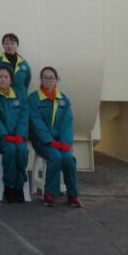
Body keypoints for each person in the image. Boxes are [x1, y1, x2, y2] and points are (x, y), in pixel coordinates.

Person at [29, 67, 81, 208]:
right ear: (41, 79)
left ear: (56, 80)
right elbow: (36, 124)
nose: (48, 80)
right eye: (44, 77)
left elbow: (67, 123)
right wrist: (50, 141)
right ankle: (50, 193)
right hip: (42, 141)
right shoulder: (33, 99)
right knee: (56, 156)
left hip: (60, 142)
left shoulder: (64, 99)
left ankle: (72, 194)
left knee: (68, 158)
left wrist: (65, 143)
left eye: (51, 78)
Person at [0, 66, 29, 203]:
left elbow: (23, 118)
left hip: (17, 137)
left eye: (6, 77)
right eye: (0, 77)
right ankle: (10, 187)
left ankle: (19, 185)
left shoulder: (20, 95)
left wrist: (19, 135)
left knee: (22, 149)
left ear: (11, 80)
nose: (3, 79)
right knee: (10, 149)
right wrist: (4, 135)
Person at [0, 32, 31, 97]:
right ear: (3, 45)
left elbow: (27, 82)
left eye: (12, 43)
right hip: (1, 99)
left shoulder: (24, 64)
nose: (9, 46)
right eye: (7, 43)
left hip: (21, 98)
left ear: (17, 45)